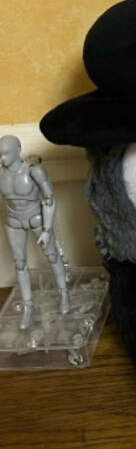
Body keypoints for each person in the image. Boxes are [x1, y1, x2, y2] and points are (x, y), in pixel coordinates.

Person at [0, 135, 70, 328]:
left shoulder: (34, 171)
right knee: (20, 263)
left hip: (36, 217)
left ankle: (64, 294)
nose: (2, 158)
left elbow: (49, 199)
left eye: (5, 153)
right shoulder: (1, 174)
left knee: (52, 256)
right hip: (13, 220)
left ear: (18, 150)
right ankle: (28, 306)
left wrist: (47, 229)